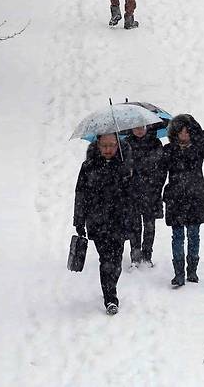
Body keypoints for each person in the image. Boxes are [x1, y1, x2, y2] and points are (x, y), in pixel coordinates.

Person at [73, 133, 134, 315]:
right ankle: (110, 297)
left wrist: (127, 177)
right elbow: (80, 194)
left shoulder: (125, 165)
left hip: (119, 220)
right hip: (98, 221)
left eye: (112, 145)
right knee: (106, 259)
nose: (108, 149)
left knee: (116, 260)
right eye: (104, 145)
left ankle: (110, 285)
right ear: (97, 146)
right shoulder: (89, 166)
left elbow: (133, 195)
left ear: (118, 146)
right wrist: (79, 219)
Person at [162, 114, 204, 288]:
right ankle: (179, 273)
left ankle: (192, 270)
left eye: (187, 131)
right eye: (181, 132)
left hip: (195, 197)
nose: (184, 135)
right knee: (177, 236)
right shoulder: (169, 150)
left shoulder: (198, 148)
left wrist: (199, 131)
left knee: (194, 235)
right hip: (175, 198)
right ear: (175, 133)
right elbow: (159, 173)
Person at [127, 125, 167, 267]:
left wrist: (156, 185)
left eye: (141, 127)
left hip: (151, 192)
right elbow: (121, 168)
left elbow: (162, 169)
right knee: (134, 226)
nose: (138, 130)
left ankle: (147, 256)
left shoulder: (155, 143)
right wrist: (128, 173)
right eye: (135, 127)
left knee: (149, 226)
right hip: (132, 192)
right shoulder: (126, 145)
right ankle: (135, 257)